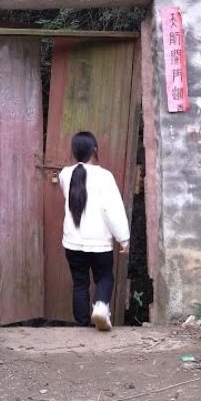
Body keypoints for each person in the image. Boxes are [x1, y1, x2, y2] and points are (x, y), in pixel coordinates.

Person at [59, 131, 130, 331]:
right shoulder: (105, 177)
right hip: (99, 243)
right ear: (95, 150)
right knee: (104, 278)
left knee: (80, 283)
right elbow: (112, 210)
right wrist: (123, 238)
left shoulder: (65, 174)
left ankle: (81, 325)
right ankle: (100, 307)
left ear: (74, 151)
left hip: (72, 243)